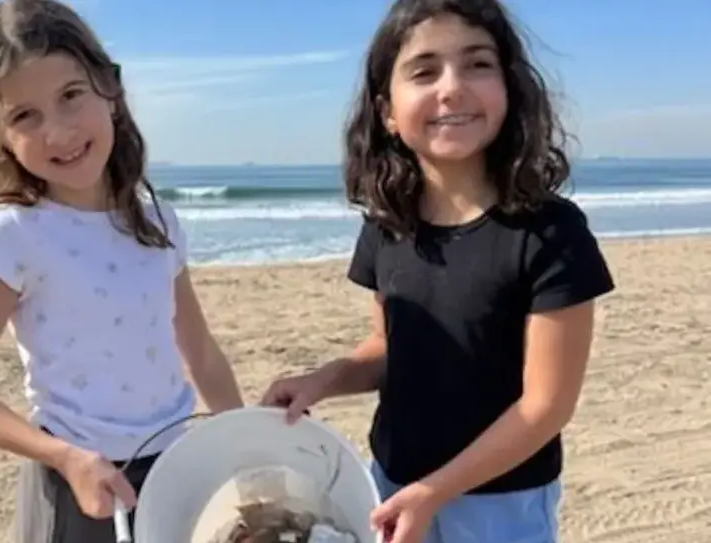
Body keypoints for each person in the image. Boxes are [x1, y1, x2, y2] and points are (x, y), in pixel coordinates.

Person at [261, 1, 615, 542]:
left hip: (502, 503)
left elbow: (546, 406)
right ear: (387, 111)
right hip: (392, 483)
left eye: (478, 64)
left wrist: (437, 490)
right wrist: (324, 380)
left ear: (510, 88)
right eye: (424, 71)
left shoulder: (551, 233)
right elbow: (387, 347)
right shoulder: (387, 225)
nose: (451, 88)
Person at [0, 1, 244, 541]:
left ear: (109, 89)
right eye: (25, 116)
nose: (58, 132)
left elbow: (201, 351)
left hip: (173, 470)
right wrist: (64, 457)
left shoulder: (157, 221)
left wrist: (246, 445)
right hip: (76, 484)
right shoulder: (11, 234)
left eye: (71, 96)